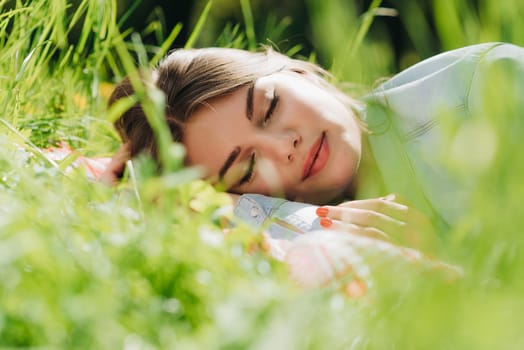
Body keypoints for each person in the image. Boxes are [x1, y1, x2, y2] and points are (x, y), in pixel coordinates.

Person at [103, 42, 524, 257]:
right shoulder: (306, 236)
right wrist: (291, 219)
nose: (283, 146)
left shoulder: (483, 89)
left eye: (269, 108)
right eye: (247, 168)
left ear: (297, 69)